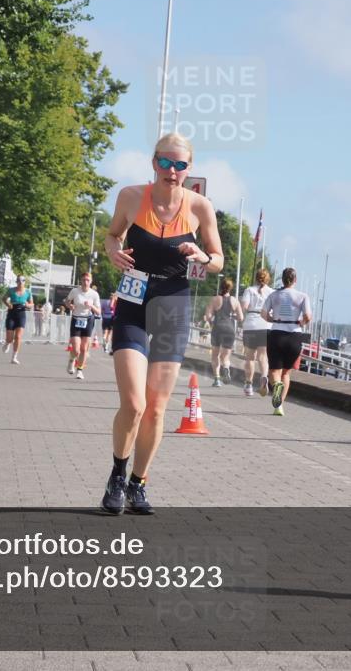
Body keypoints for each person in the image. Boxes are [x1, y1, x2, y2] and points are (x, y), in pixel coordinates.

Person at [101, 132, 223, 515]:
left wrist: (202, 256)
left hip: (172, 303)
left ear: (189, 169)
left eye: (180, 165)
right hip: (134, 301)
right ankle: (117, 475)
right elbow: (111, 235)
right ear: (154, 163)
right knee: (134, 403)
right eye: (166, 163)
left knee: (156, 407)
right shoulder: (131, 197)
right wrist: (114, 253)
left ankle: (139, 483)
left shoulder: (200, 207)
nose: (172, 171)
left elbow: (218, 260)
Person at [261, 267, 312, 416]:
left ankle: (276, 386)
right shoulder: (302, 296)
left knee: (274, 371)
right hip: (294, 335)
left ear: (282, 280)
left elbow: (263, 314)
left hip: (277, 332)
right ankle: (279, 406)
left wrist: (272, 319)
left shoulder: (273, 295)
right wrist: (300, 323)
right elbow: (308, 316)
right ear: (295, 280)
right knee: (286, 373)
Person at [240, 268, 273, 397]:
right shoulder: (271, 292)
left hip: (251, 324)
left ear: (256, 277)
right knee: (263, 356)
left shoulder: (249, 290)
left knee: (250, 357)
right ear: (267, 279)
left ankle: (248, 385)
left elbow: (244, 307)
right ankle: (264, 377)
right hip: (265, 324)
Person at [204, 279, 243, 387]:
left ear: (221, 286)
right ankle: (226, 368)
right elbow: (241, 318)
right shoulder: (235, 301)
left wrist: (211, 321)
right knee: (225, 357)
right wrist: (231, 316)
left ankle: (217, 379)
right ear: (231, 288)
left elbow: (208, 316)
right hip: (229, 329)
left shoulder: (215, 299)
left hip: (217, 328)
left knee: (215, 355)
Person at [64, 272, 102, 380]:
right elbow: (67, 301)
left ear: (91, 281)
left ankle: (80, 370)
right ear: (81, 280)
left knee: (84, 349)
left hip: (88, 320)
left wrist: (91, 306)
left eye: (88, 280)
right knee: (76, 349)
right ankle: (71, 361)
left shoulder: (94, 294)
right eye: (84, 280)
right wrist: (70, 306)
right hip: (76, 319)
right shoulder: (75, 291)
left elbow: (98, 311)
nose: (85, 282)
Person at [1, 275, 33, 363]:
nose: (20, 282)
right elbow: (4, 298)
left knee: (18, 337)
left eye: (22, 280)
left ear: (24, 282)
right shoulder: (11, 290)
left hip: (21, 313)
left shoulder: (28, 292)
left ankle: (14, 357)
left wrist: (27, 305)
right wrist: (8, 304)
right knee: (10, 338)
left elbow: (31, 304)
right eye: (18, 280)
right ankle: (7, 343)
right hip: (12, 313)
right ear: (16, 282)